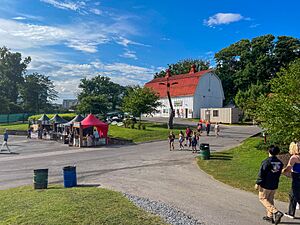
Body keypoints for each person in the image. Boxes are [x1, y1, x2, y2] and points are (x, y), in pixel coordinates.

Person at [255, 145, 284, 224]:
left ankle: (276, 212)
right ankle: (269, 216)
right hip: (274, 184)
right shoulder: (280, 163)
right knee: (270, 199)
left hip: (265, 184)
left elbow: (262, 173)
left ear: (269, 151)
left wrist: (258, 183)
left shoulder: (266, 161)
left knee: (262, 198)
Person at [282, 142, 300, 219]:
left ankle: (291, 213)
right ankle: (290, 212)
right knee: (293, 194)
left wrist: (282, 170)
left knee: (294, 195)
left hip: (297, 177)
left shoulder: (294, 158)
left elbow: (288, 168)